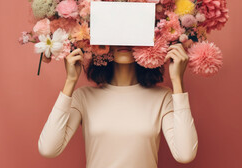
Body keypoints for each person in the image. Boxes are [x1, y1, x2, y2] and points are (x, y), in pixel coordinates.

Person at [38, 43, 198, 167]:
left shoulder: (163, 97)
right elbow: (48, 149)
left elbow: (185, 154)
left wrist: (178, 80)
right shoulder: (84, 97)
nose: (124, 42)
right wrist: (70, 81)